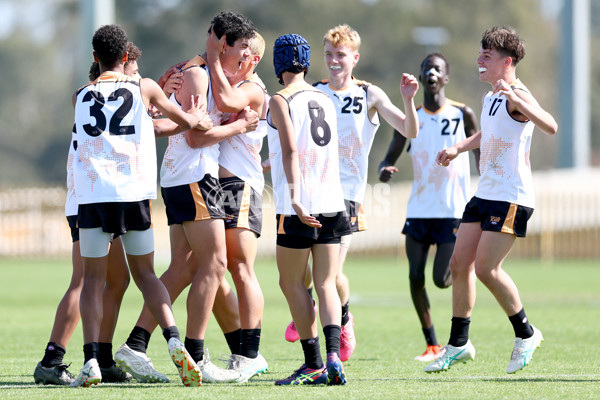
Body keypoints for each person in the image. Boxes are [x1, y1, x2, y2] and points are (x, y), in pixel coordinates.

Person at [114, 11, 257, 384]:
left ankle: (135, 345)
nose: (245, 57)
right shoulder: (197, 73)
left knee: (185, 267)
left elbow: (173, 125)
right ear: (223, 43)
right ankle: (195, 356)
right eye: (241, 48)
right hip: (194, 178)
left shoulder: (205, 72)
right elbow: (194, 138)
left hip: (183, 178)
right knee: (215, 263)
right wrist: (240, 125)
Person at [70, 24, 206, 387]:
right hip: (132, 194)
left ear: (95, 58)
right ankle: (174, 338)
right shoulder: (144, 87)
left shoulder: (80, 95)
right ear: (127, 57)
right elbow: (176, 120)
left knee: (94, 281)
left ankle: (90, 361)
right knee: (146, 275)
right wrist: (193, 118)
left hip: (94, 196)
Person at [425, 26, 557, 374]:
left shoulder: (517, 93)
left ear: (507, 61)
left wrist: (517, 98)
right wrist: (458, 147)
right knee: (459, 264)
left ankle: (526, 334)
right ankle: (458, 344)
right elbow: (490, 132)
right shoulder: (491, 97)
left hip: (511, 198)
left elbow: (550, 125)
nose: (479, 60)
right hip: (485, 194)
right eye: (480, 54)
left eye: (488, 56)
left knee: (486, 269)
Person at [284, 24, 419, 362]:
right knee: (301, 273)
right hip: (311, 191)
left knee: (331, 273)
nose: (333, 61)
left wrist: (408, 100)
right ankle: (313, 307)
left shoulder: (369, 94)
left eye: (340, 55)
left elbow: (408, 130)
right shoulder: (311, 92)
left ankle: (342, 320)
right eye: (328, 54)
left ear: (354, 58)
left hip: (346, 195)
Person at [33, 42, 144, 386]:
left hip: (98, 198)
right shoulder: (95, 98)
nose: (137, 77)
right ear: (121, 66)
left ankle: (104, 357)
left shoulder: (94, 100)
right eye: (134, 70)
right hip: (88, 201)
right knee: (83, 281)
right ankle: (52, 361)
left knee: (119, 280)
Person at [378, 52, 480, 362]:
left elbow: (480, 151)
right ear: (421, 78)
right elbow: (390, 155)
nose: (431, 73)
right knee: (414, 276)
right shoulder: (412, 119)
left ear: (446, 78)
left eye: (437, 69)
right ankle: (433, 344)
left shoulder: (463, 114)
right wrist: (384, 168)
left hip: (453, 211)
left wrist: (487, 178)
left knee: (441, 278)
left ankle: (466, 273)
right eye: (426, 69)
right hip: (419, 210)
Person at [268, 33, 349, 386]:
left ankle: (313, 362)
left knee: (290, 282)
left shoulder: (280, 99)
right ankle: (334, 355)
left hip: (297, 205)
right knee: (327, 282)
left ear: (278, 64)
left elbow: (290, 151)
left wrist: (296, 197)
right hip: (333, 201)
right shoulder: (325, 97)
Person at [204, 30, 270, 382]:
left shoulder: (254, 88)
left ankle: (251, 353)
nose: (234, 59)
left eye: (242, 54)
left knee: (241, 268)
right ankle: (239, 348)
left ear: (253, 60)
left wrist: (212, 58)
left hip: (240, 184)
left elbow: (229, 102)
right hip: (217, 185)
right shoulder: (224, 81)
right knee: (212, 269)